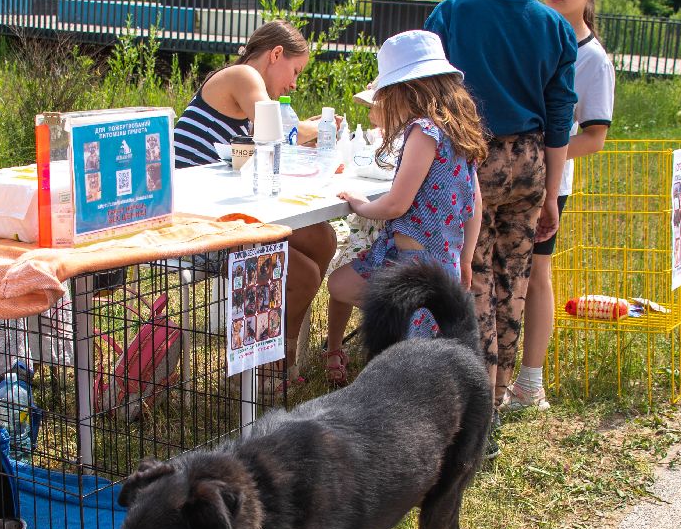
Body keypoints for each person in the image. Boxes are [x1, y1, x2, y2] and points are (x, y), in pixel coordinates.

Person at [425, 0, 577, 455]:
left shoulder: (450, 15)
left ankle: (471, 415)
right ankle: (500, 396)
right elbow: (560, 116)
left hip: (468, 161)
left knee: (473, 283)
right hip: (530, 163)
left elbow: (428, 93)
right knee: (514, 284)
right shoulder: (556, 27)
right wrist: (553, 193)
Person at [173, 20, 339, 388]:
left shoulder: (246, 92)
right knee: (304, 275)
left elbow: (271, 139)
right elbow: (274, 131)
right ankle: (258, 366)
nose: (294, 84)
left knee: (323, 238)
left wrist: (306, 129)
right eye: (295, 71)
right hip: (197, 228)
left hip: (224, 215)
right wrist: (321, 128)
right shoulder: (243, 75)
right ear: (276, 54)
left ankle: (279, 355)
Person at [323, 31, 486, 384]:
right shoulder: (458, 132)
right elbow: (475, 203)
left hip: (415, 263)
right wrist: (466, 258)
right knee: (340, 283)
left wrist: (359, 204)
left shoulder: (423, 130)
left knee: (413, 359)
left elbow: (397, 203)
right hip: (436, 256)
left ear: (404, 90)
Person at [501, 0, 616, 411]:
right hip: (501, 177)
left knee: (535, 275)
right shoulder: (531, 31)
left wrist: (542, 155)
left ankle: (531, 381)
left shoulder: (593, 59)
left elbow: (594, 136)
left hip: (546, 184)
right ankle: (489, 373)